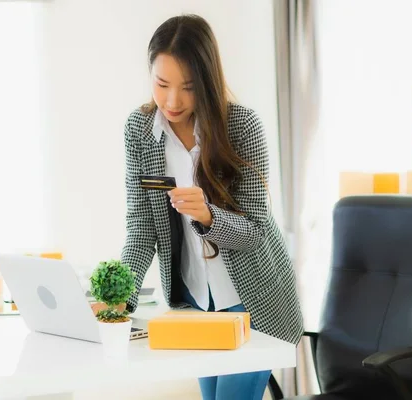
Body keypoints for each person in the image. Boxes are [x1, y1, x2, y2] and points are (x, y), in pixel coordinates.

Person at [119, 14, 304, 400]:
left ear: (206, 81)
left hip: (255, 301)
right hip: (196, 305)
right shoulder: (139, 132)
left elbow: (254, 231)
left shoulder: (242, 127)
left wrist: (208, 216)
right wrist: (120, 297)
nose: (172, 101)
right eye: (161, 84)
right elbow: (141, 229)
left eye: (187, 88)